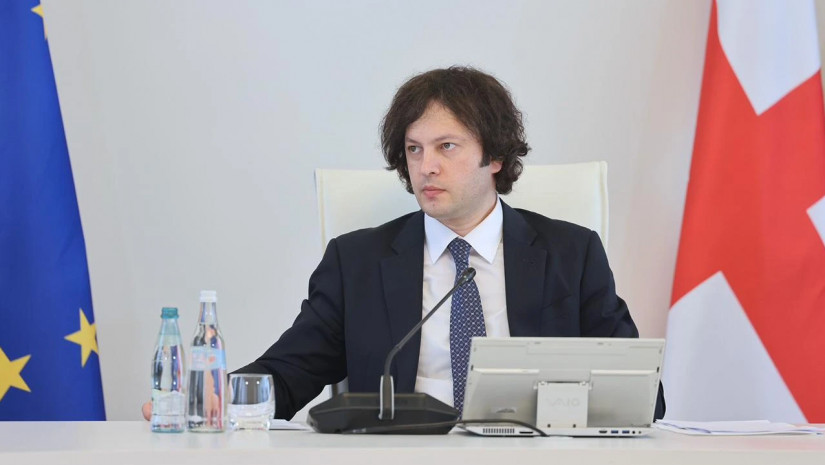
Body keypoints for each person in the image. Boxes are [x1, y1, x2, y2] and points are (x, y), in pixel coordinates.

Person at [142, 66, 664, 421]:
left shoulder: (571, 253)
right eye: (414, 150)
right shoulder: (357, 261)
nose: (426, 166)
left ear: (495, 157)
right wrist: (211, 398)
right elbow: (292, 370)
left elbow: (641, 392)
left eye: (446, 146)